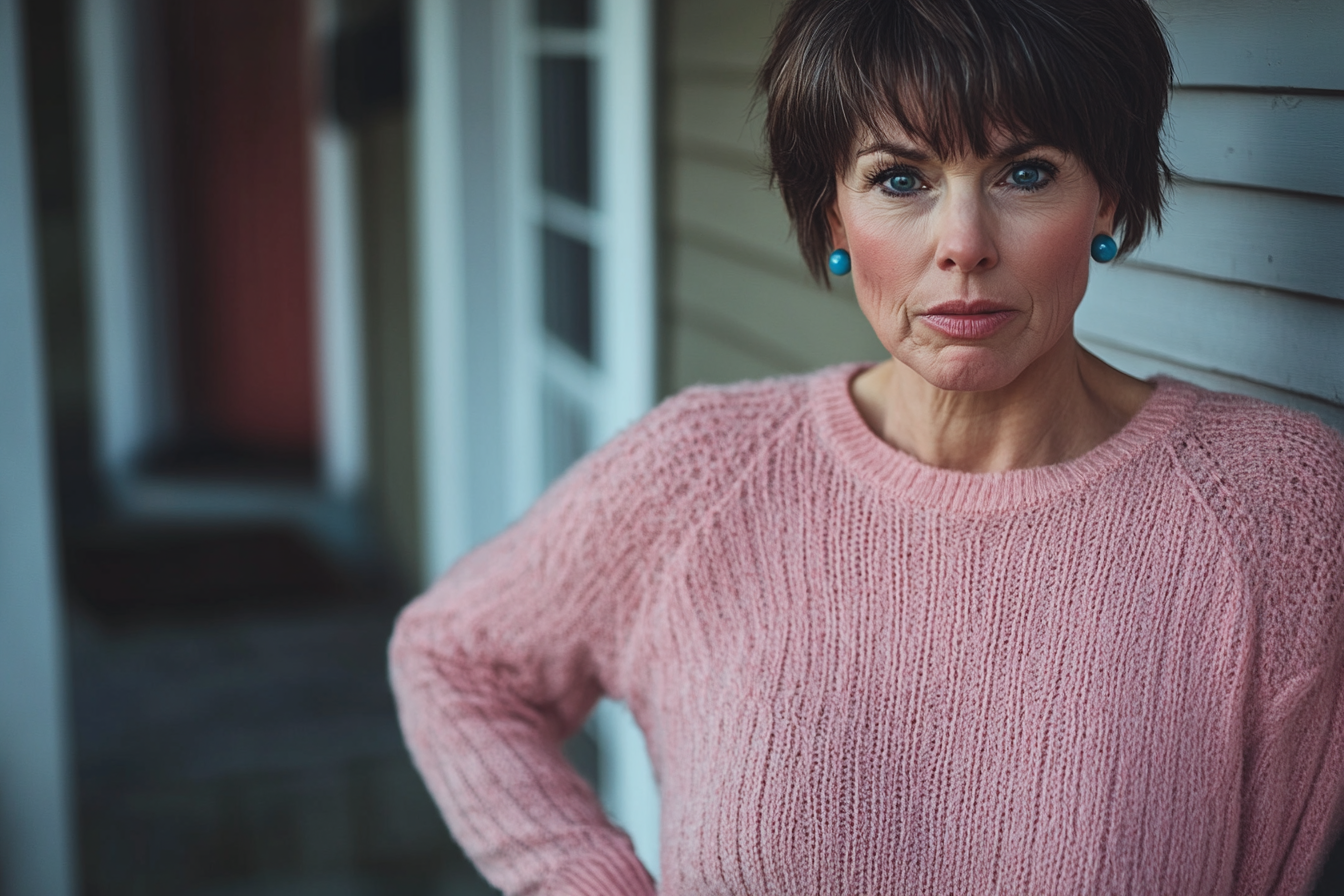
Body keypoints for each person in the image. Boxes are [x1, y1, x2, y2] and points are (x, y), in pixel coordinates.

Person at [390, 0, 1344, 892]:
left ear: (1108, 194)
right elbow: (453, 659)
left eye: (1026, 172)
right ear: (833, 213)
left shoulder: (1275, 510)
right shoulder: (702, 475)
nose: (963, 243)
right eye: (901, 178)